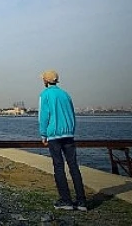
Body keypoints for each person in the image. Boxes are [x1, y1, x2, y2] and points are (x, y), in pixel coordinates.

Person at [39, 70, 88, 212]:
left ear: (46, 81)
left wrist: (43, 135)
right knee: (74, 166)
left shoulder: (45, 95)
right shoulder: (66, 94)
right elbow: (71, 113)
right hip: (68, 134)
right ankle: (81, 202)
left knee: (59, 166)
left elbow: (43, 116)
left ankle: (66, 200)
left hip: (54, 135)